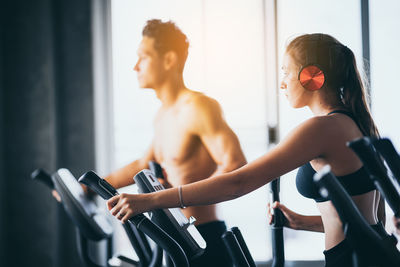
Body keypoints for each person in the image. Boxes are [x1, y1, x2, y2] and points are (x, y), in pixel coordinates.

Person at [107, 33, 387, 266]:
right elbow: (370, 219)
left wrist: (150, 201)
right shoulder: (354, 122)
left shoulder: (321, 129)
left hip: (353, 259)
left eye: (286, 72)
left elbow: (239, 182)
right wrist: (300, 222)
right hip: (370, 252)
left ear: (312, 77)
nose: (282, 83)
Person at [105, 19, 246, 267]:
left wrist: (176, 198)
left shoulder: (197, 107)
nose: (135, 66)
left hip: (203, 236)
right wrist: (88, 187)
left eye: (144, 57)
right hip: (173, 239)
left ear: (169, 60)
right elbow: (142, 164)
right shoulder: (163, 115)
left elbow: (235, 165)